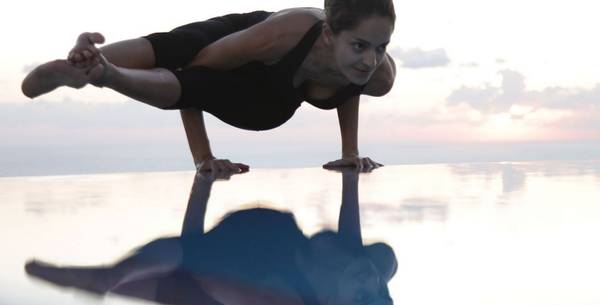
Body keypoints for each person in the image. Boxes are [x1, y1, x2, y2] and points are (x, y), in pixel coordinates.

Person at [21, 0, 396, 173]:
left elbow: (350, 84)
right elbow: (197, 73)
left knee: (269, 109)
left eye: (381, 47)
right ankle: (83, 66)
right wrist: (203, 157)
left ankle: (96, 70)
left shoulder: (377, 73)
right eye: (360, 46)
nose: (370, 59)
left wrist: (351, 150)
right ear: (329, 34)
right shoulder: (285, 33)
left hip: (272, 77)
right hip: (237, 37)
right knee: (173, 48)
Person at [25, 168, 397, 305]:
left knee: (179, 273)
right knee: (182, 263)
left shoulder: (285, 295)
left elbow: (194, 260)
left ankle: (103, 279)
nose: (372, 284)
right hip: (249, 246)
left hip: (223, 278)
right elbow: (194, 251)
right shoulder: (363, 258)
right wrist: (352, 169)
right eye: (382, 291)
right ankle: (104, 279)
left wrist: (201, 185)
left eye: (363, 297)